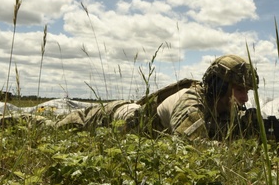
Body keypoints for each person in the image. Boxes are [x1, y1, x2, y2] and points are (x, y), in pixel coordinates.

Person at [57, 54, 259, 140]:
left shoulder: (223, 106)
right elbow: (191, 147)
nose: (245, 98)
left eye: (247, 91)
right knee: (56, 128)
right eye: (240, 90)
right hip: (114, 116)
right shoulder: (191, 102)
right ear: (220, 85)